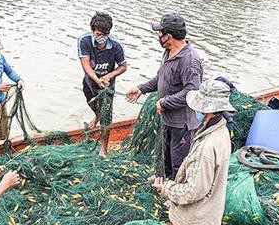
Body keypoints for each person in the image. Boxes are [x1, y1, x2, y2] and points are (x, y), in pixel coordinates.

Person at [152, 79, 235, 225]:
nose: (196, 110)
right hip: (205, 212)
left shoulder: (209, 147)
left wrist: (165, 188)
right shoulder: (219, 128)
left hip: (200, 218)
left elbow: (194, 190)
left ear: (208, 108)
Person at [126, 13, 202, 179]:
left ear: (169, 36)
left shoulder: (189, 60)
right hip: (167, 119)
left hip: (182, 123)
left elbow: (192, 91)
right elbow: (161, 77)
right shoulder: (168, 52)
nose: (159, 37)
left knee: (178, 160)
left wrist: (164, 103)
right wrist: (141, 89)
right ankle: (162, 179)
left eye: (160, 33)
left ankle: (175, 193)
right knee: (165, 154)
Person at [78, 12, 128, 156]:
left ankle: (103, 149)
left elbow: (123, 66)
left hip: (107, 87)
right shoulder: (84, 41)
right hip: (90, 82)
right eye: (98, 33)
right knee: (92, 104)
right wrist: (96, 79)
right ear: (93, 31)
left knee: (106, 118)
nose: (101, 37)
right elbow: (86, 65)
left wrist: (109, 75)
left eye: (105, 34)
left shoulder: (116, 45)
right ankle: (97, 114)